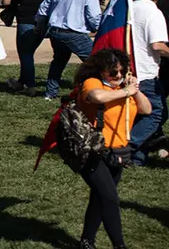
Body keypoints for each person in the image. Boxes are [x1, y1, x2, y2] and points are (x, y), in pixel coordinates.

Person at [73, 48, 152, 249]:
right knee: (110, 198)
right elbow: (96, 97)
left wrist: (135, 90)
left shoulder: (126, 90)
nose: (118, 75)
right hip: (94, 151)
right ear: (101, 71)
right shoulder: (94, 84)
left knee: (100, 198)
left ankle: (86, 241)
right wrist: (125, 91)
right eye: (113, 72)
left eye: (121, 71)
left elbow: (146, 109)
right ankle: (119, 245)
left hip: (119, 153)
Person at [35, 0, 102, 101]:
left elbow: (42, 10)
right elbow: (94, 16)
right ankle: (94, 90)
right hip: (75, 33)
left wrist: (40, 26)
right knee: (95, 62)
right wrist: (97, 28)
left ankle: (50, 93)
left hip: (55, 31)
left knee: (58, 62)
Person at [127, 0, 169, 166]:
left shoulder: (129, 7)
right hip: (146, 72)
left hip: (128, 69)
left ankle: (137, 158)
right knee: (156, 113)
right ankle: (125, 148)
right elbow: (158, 45)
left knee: (141, 113)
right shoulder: (154, 13)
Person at [1, 0, 49, 96]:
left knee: (26, 54)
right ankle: (22, 81)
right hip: (41, 22)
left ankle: (30, 85)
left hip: (25, 21)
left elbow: (7, 3)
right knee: (28, 53)